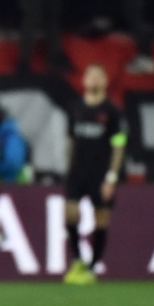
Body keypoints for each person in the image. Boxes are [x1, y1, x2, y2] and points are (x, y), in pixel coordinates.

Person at [62, 64, 126, 285]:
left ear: (105, 81)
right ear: (84, 80)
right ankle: (78, 260)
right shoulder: (75, 108)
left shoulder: (112, 111)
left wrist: (112, 177)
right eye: (90, 75)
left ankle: (93, 266)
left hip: (100, 173)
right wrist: (68, 167)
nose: (94, 79)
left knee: (101, 218)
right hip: (77, 171)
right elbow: (71, 140)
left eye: (99, 75)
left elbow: (119, 145)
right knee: (70, 213)